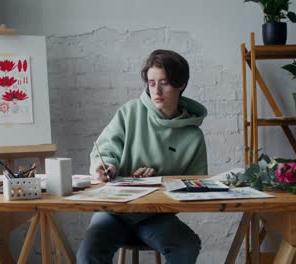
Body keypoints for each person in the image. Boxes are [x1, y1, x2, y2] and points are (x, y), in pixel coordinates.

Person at [76, 49, 208, 264]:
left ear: (181, 84)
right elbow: (106, 150)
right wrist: (106, 166)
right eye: (151, 82)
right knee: (88, 254)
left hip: (156, 216)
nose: (156, 90)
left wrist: (157, 182)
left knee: (186, 246)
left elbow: (195, 186)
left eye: (164, 83)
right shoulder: (130, 112)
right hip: (114, 212)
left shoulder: (193, 136)